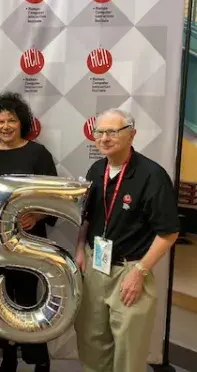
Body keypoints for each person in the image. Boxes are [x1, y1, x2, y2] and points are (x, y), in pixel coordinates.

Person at [74, 108, 180, 372]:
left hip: (130, 272)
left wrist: (140, 272)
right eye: (99, 132)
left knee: (128, 351)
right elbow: (86, 217)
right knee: (92, 341)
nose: (104, 138)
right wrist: (79, 249)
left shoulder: (152, 176)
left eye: (112, 131)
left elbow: (168, 233)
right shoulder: (96, 169)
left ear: (132, 135)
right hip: (95, 265)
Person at [0, 92, 57, 372]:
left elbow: (53, 196)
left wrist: (37, 215)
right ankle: (8, 358)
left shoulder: (38, 153)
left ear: (21, 123)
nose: (6, 126)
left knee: (29, 300)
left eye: (11, 120)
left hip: (30, 242)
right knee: (1, 299)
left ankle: (40, 359)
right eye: (0, 121)